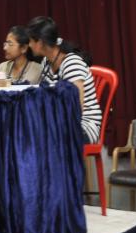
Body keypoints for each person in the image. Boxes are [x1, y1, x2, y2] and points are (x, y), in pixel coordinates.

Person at [26, 16, 101, 144]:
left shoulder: (71, 64)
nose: (29, 45)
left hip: (82, 126)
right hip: (60, 122)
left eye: (31, 41)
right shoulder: (46, 62)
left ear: (40, 42)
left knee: (35, 138)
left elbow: (76, 109)